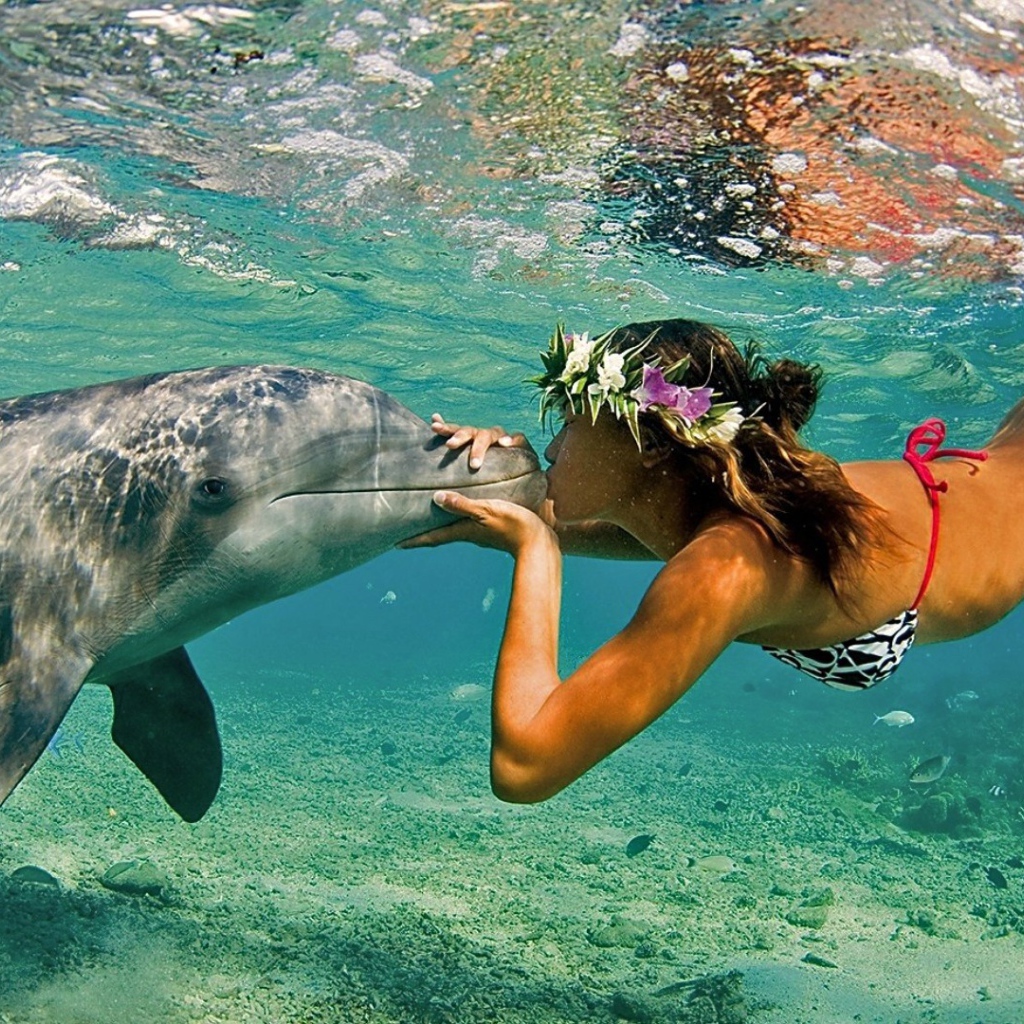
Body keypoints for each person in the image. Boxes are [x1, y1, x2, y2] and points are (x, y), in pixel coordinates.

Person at [401, 319, 1024, 803]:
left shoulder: (724, 568)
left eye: (570, 421)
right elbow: (604, 522)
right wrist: (491, 481)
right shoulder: (708, 503)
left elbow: (525, 767)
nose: (555, 443)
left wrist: (536, 552)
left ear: (649, 445)